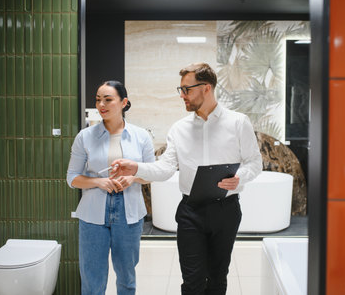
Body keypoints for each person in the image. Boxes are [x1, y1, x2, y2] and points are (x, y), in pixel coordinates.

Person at [110, 63, 262, 295]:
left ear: (206, 88)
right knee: (192, 281)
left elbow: (254, 162)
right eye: (180, 89)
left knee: (218, 278)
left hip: (226, 211)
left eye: (187, 89)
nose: (182, 95)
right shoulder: (179, 129)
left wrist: (240, 178)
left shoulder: (238, 122)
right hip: (191, 212)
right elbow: (165, 169)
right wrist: (135, 168)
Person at [66, 80, 154, 295]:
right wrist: (98, 181)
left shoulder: (141, 136)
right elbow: (72, 178)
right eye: (98, 99)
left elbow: (151, 173)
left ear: (124, 102)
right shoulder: (85, 137)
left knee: (126, 275)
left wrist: (132, 178)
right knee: (92, 277)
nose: (101, 105)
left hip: (129, 213)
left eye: (108, 99)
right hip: (92, 214)